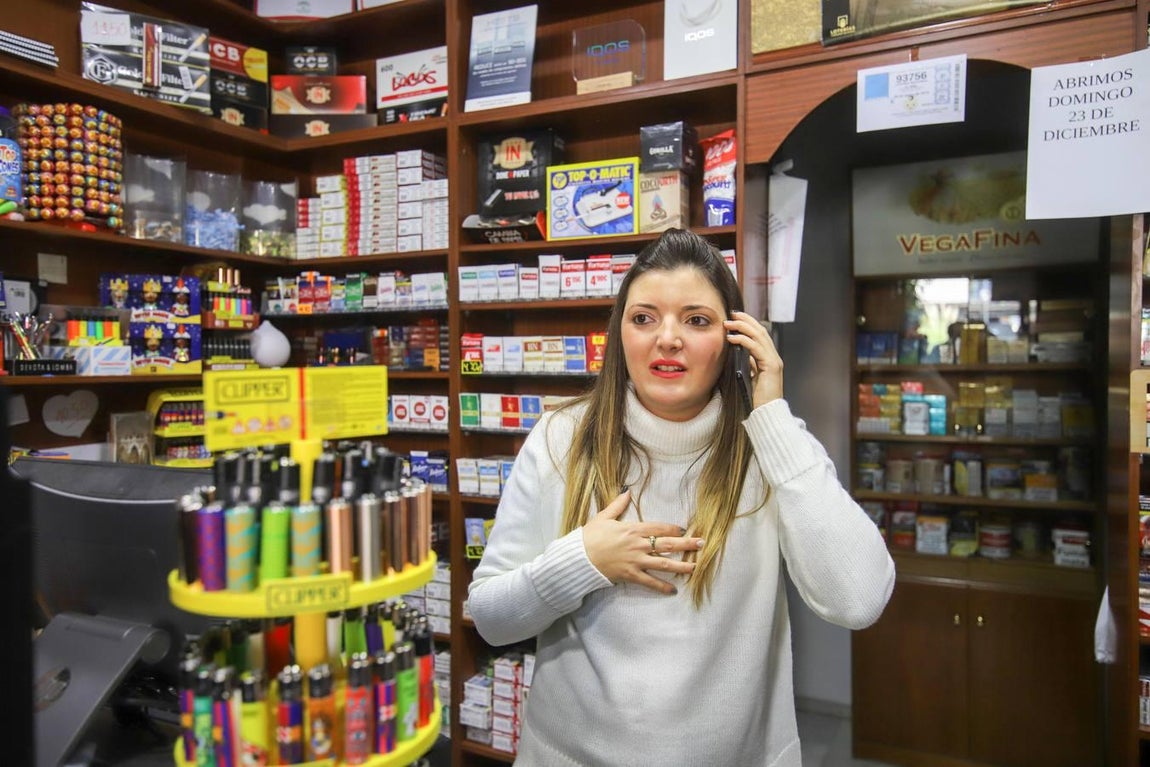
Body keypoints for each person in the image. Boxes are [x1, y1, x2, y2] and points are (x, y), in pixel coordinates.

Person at [467, 228, 895, 766]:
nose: (667, 339)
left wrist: (772, 417)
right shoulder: (560, 438)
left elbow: (859, 598)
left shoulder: (774, 449)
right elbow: (491, 618)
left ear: (736, 340)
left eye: (696, 320)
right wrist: (582, 561)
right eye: (644, 318)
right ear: (619, 334)